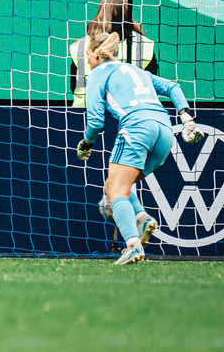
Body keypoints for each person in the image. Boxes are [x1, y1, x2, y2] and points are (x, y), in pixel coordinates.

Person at [76, 30, 205, 265]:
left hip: (137, 129)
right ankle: (142, 219)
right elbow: (173, 86)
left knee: (115, 191)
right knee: (115, 186)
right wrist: (186, 117)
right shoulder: (136, 70)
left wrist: (86, 143)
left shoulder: (98, 75)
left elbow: (95, 121)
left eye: (87, 56)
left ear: (96, 53)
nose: (87, 61)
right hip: (164, 132)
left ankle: (133, 246)